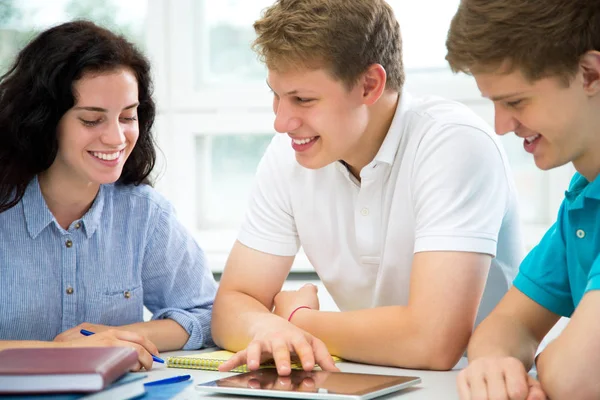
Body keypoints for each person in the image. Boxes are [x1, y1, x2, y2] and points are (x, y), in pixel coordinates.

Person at [211, 0, 524, 375]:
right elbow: (231, 306)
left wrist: (295, 317)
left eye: (303, 99)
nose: (281, 121)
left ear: (370, 85)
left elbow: (434, 343)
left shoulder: (453, 143)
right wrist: (265, 326)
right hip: (365, 376)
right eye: (276, 95)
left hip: (469, 384)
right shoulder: (290, 153)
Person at [0, 20, 217, 371]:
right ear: (41, 120)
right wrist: (61, 352)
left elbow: (207, 315)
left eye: (128, 117)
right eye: (91, 120)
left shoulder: (144, 213)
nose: (116, 139)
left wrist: (112, 340)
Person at [445, 0, 600, 398]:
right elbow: (506, 326)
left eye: (515, 102)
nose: (500, 126)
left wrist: (547, 364)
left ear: (590, 74)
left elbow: (575, 380)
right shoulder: (584, 200)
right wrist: (495, 365)